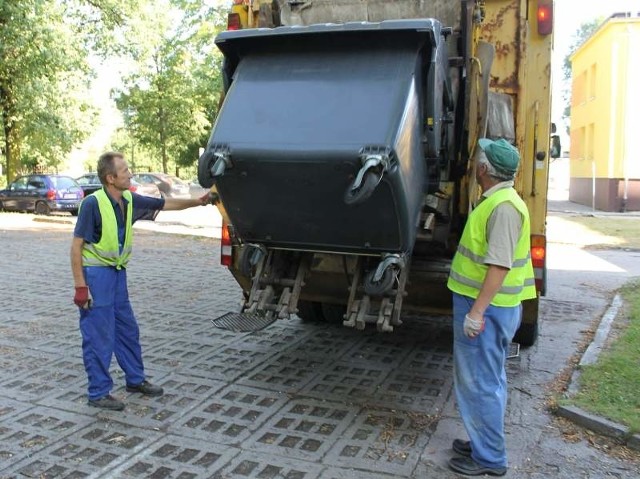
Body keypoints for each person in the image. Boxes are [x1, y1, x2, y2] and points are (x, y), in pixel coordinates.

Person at [70, 151, 212, 411]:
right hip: (97, 276)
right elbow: (76, 246)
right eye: (125, 171)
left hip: (117, 274)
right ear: (111, 178)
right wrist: (81, 286)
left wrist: (200, 202)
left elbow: (165, 204)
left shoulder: (128, 199)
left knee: (127, 330)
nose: (131, 174)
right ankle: (98, 392)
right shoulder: (93, 204)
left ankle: (135, 380)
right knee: (99, 336)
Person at [446, 138, 536, 476]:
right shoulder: (500, 201)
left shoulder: (503, 208)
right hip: (494, 308)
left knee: (480, 382)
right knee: (486, 379)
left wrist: (476, 313)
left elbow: (499, 266)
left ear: (484, 169)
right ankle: (483, 441)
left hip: (487, 310)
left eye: (477, 162)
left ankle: (489, 459)